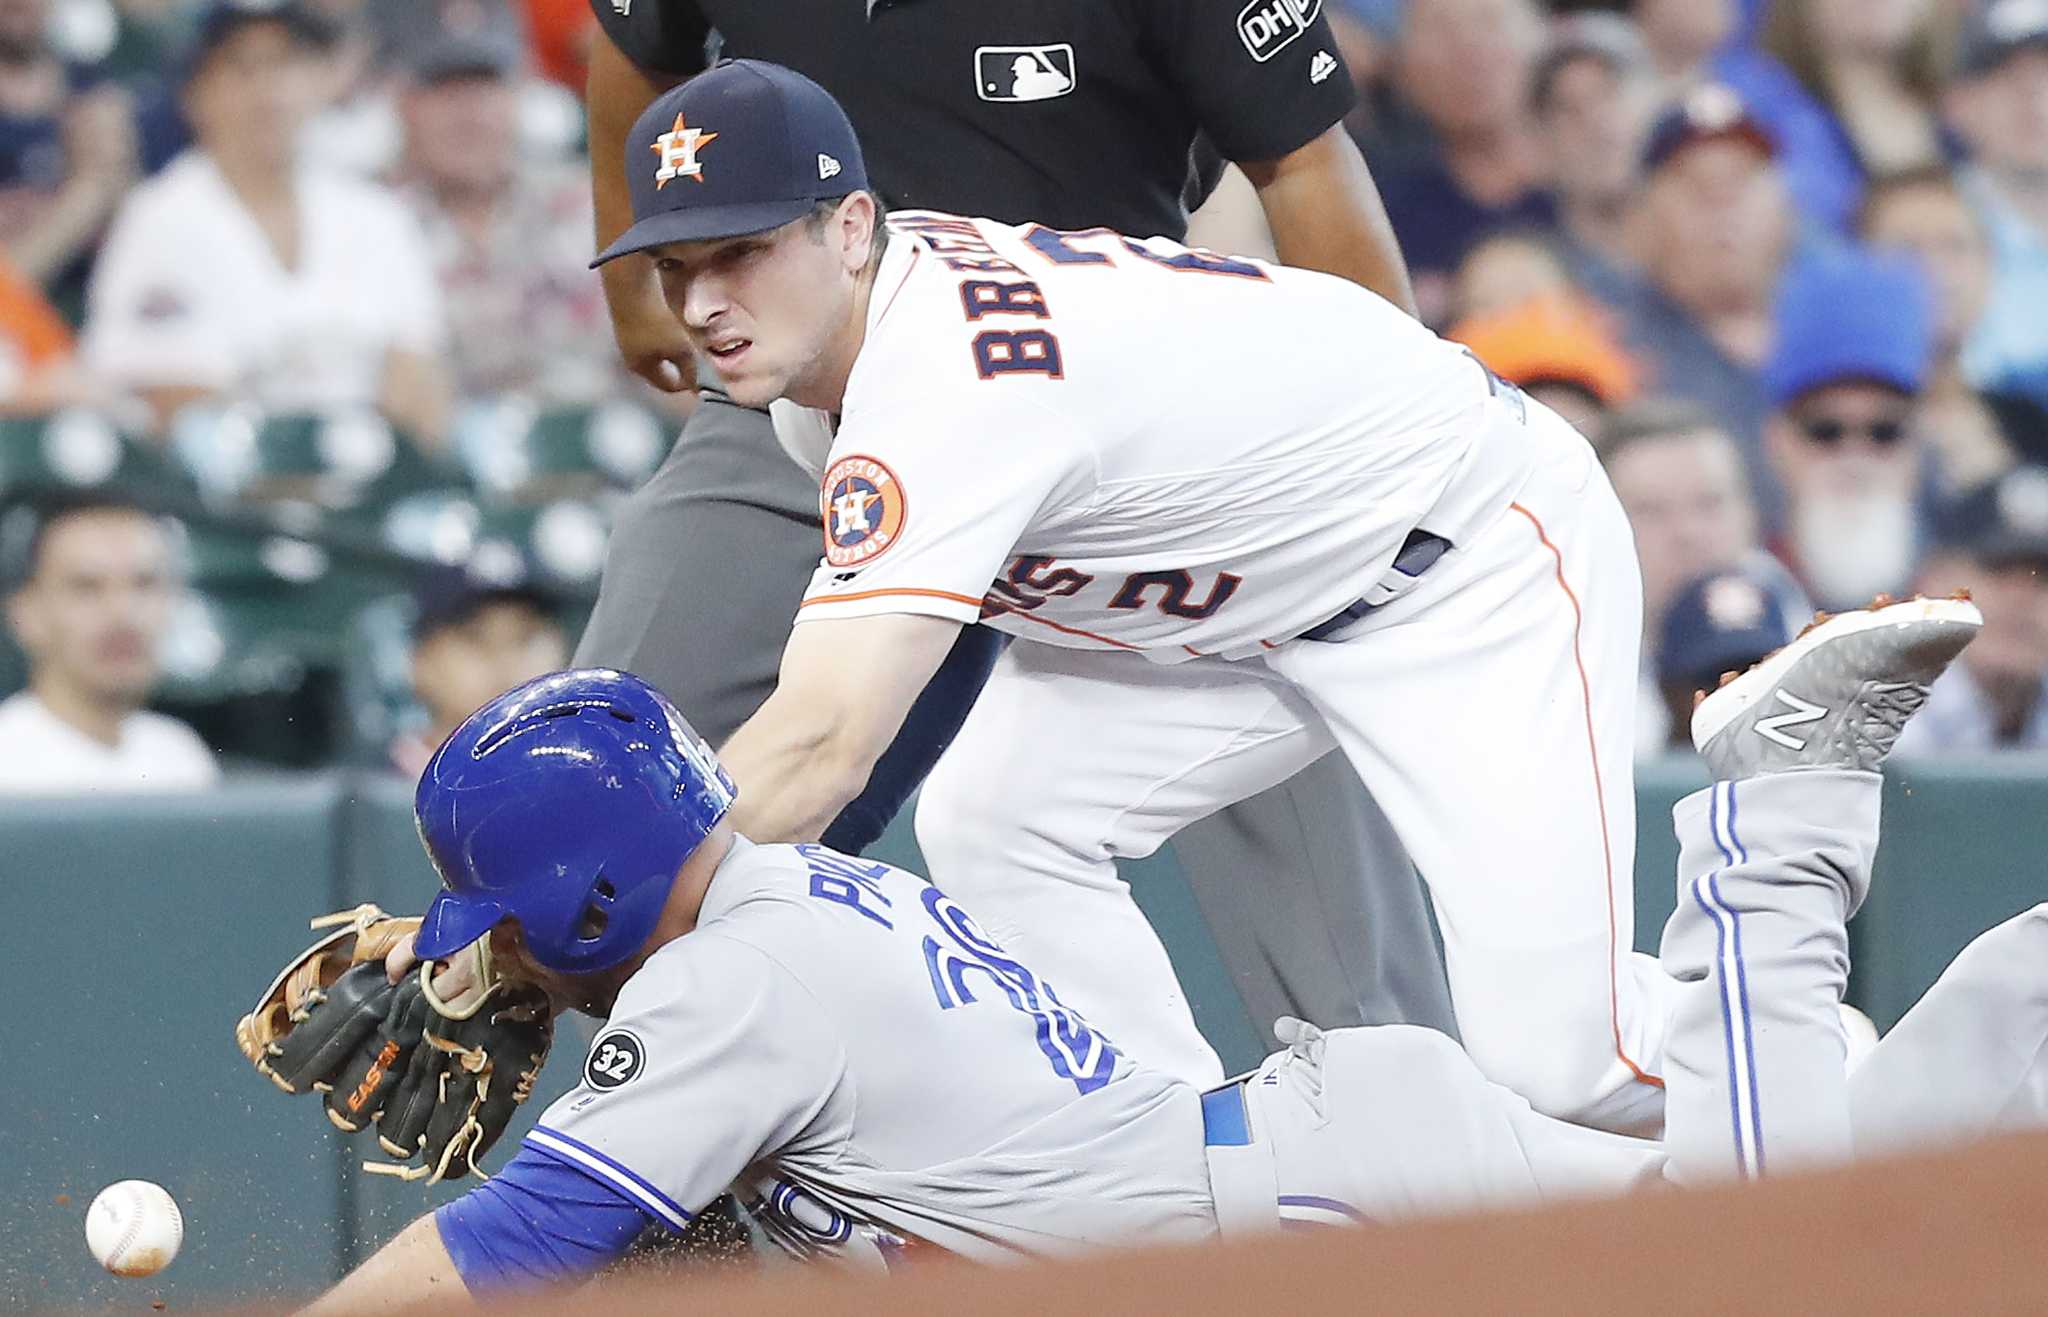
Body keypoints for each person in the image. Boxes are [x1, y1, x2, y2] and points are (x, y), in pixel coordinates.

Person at [300, 592, 2048, 1305]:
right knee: (1849, 1199)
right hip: (1317, 1160)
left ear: (591, 904)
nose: (497, 967)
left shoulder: (724, 984)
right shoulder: (758, 917)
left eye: (512, 933)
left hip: (1310, 1217)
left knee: (1767, 1284)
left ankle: (1766, 828)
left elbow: (520, 1244)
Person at [593, 61, 1667, 1128]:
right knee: (998, 814)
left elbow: (822, 745)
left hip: (1468, 566)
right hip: (1248, 609)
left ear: (851, 227)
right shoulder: (827, 371)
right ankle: (1190, 1164)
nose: (700, 303)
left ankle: (1815, 1052)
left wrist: (570, 930)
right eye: (675, 266)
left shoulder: (941, 386)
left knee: (1578, 1070)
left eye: (741, 251)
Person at [80, 0, 452, 446]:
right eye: (243, 67)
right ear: (197, 92)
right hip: (220, 500)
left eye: (288, 63)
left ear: (321, 80)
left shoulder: (376, 215)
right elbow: (174, 404)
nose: (269, 88)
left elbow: (421, 381)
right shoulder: (159, 217)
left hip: (371, 484)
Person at [387, 30, 625, 408]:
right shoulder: (380, 224)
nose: (468, 116)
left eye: (484, 92)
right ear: (408, 109)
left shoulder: (582, 203)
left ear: (516, 101)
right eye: (446, 95)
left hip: (597, 433)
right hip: (450, 450)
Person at [1600, 82, 1796, 524]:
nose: (1722, 204)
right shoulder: (1612, 349)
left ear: (1784, 208)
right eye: (1695, 184)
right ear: (1643, 216)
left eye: (1742, 180)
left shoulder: (1834, 334)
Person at [0, 492, 217, 793]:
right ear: (25, 613)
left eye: (144, 583)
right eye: (87, 587)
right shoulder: (8, 763)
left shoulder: (179, 755)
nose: (123, 614)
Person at [1762, 247, 1937, 610]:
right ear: (1777, 442)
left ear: (1918, 446)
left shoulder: (1959, 602)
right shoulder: (1741, 604)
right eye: (1825, 431)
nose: (1855, 459)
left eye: (1884, 432)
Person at [1371, 0, 1553, 324]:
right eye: (1441, 30)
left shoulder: (1597, 191)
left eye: (1488, 21)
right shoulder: (1378, 210)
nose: (1468, 51)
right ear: (1402, 61)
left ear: (1544, 35)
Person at [1861, 166, 2041, 489]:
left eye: (1955, 246)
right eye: (1907, 250)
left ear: (1989, 268)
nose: (1935, 269)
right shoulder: (1834, 428)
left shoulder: (2028, 419)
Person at [1942, 0, 2048, 411]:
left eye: (2046, 75)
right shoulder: (1927, 227)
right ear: (1957, 104)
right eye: (2006, 77)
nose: (2034, 97)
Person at [1899, 465, 2048, 754]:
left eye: (2044, 576)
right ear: (1934, 583)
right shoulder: (1877, 723)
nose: (2021, 596)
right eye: (1996, 568)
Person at [389, 564, 570, 779]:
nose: (506, 661)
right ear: (421, 661)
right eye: (476, 638)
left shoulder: (588, 785)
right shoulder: (364, 790)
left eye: (526, 637)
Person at [1529, 14, 1658, 300]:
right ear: (1540, 142)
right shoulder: (1533, 280)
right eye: (1569, 109)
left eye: (1610, 95)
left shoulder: (1707, 265)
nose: (1597, 124)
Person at [1650, 562, 1802, 753]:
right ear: (1668, 690)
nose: (1740, 698)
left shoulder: (1817, 774)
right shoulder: (1628, 770)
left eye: (1760, 677)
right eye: (1714, 682)